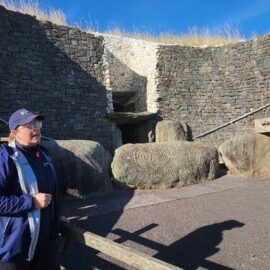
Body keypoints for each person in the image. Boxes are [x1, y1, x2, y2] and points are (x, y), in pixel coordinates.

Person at [0, 108, 62, 270]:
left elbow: (51, 193)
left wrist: (57, 215)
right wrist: (31, 201)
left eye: (37, 123)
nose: (35, 128)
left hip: (46, 244)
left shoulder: (44, 155)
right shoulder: (6, 158)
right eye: (28, 125)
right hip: (16, 247)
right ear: (15, 132)